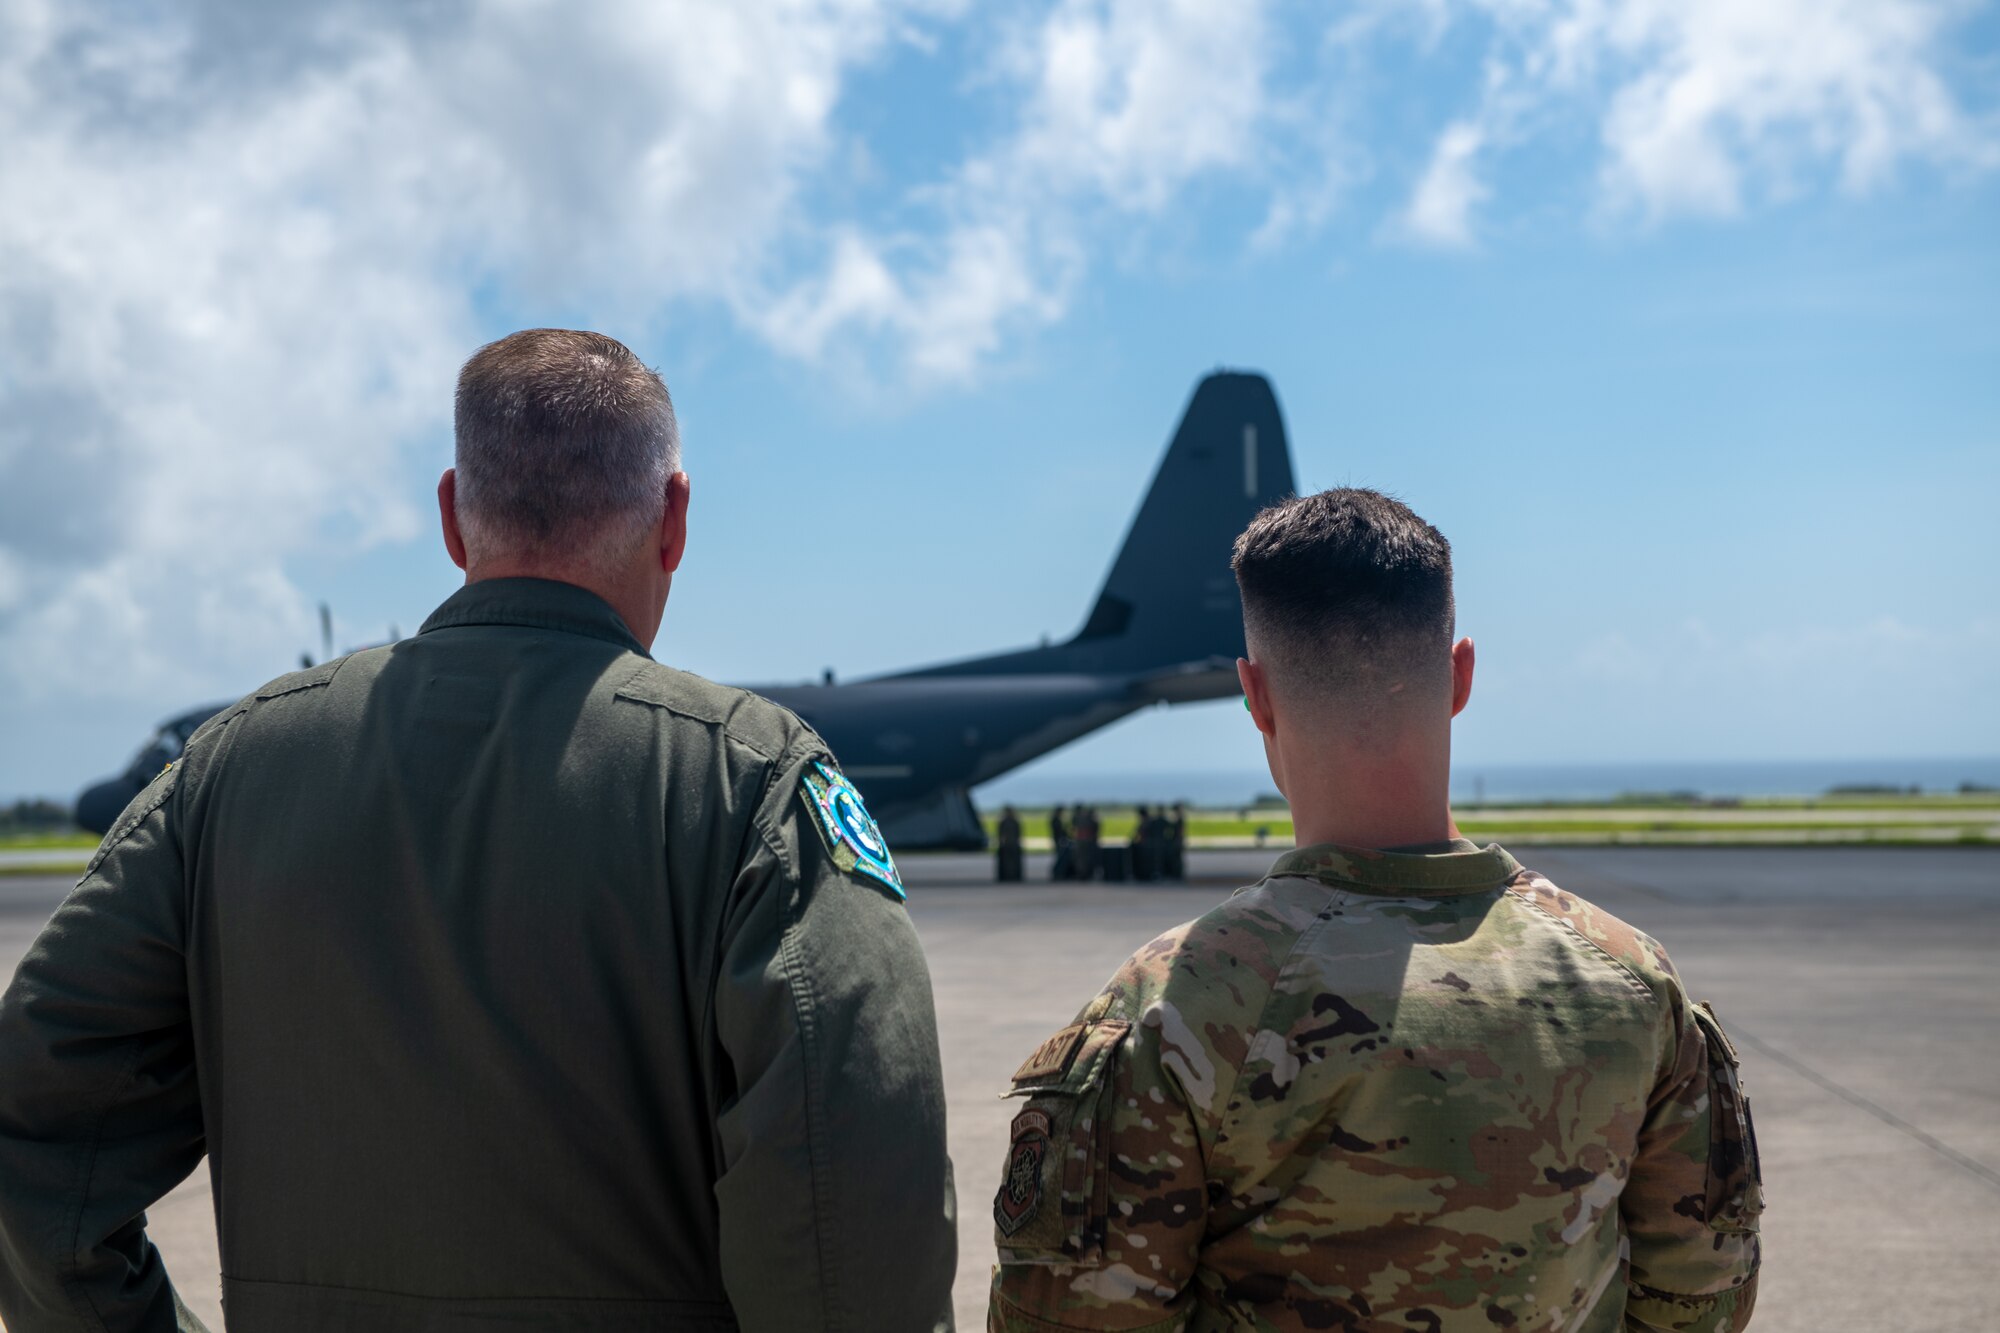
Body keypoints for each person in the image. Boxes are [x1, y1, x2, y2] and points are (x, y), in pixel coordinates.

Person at [0, 329, 957, 1332]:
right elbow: (853, 1221)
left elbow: (31, 1120)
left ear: (454, 519)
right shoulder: (750, 779)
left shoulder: (226, 770)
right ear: (673, 519)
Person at [988, 489, 1761, 1332]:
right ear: (1460, 675)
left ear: (1256, 696)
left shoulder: (1174, 1010)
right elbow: (1701, 1297)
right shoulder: (1634, 985)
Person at [997, 804, 1025, 883]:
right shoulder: (1014, 821)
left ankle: (1009, 876)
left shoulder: (1005, 821)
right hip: (1011, 844)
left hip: (1009, 844)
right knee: (1010, 863)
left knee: (1009, 863)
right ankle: (1011, 876)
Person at [1072, 804, 1100, 882]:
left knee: (1080, 858)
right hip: (1088, 840)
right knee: (1087, 857)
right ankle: (1086, 874)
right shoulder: (1091, 818)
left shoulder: (1077, 817)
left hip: (1080, 840)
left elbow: (1073, 827)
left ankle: (1081, 874)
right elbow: (1096, 828)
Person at [1128, 804, 1154, 881]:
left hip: (1145, 845)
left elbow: (1139, 832)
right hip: (1149, 845)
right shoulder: (1149, 821)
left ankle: (1142, 875)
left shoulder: (1145, 822)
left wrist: (1134, 840)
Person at [1049, 804, 1073, 880]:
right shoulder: (1056, 820)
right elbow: (1058, 831)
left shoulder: (1056, 819)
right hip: (1059, 840)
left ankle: (1058, 873)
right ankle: (1057, 873)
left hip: (1058, 839)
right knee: (1060, 857)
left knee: (1060, 857)